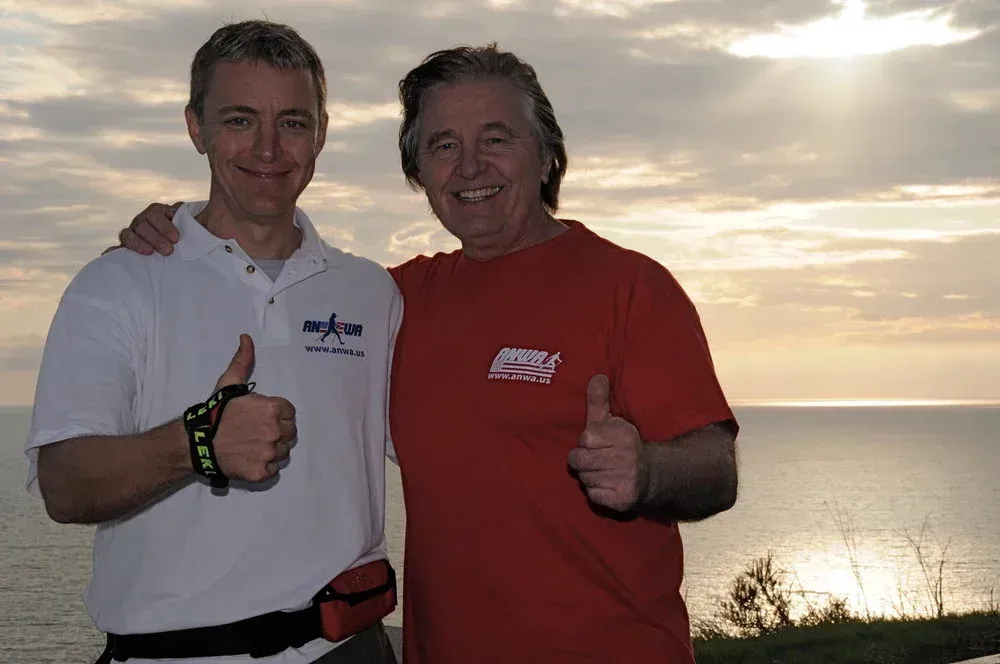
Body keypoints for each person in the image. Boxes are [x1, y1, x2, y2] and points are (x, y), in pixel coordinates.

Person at [117, 44, 740, 663]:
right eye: (443, 146)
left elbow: (716, 467)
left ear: (547, 154)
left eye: (496, 139)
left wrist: (650, 472)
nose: (470, 168)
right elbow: (268, 284)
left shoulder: (630, 287)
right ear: (420, 173)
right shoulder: (393, 299)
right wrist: (185, 229)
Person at [27, 20, 400, 664]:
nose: (267, 149)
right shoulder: (119, 282)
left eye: (292, 121)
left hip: (347, 650)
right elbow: (63, 486)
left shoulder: (371, 291)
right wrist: (198, 442)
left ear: (322, 133)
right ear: (195, 127)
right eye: (238, 119)